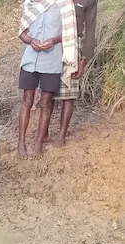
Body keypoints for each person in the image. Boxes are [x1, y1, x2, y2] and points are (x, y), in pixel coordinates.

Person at [17, 0, 77, 159]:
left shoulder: (64, 5)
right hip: (30, 59)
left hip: (52, 60)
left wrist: (53, 40)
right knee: (27, 101)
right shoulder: (29, 4)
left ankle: (38, 144)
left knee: (45, 102)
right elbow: (22, 33)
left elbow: (70, 32)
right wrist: (31, 41)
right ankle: (21, 144)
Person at [52, 0, 96, 147]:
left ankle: (61, 135)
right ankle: (43, 133)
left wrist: (83, 60)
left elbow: (90, 29)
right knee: (47, 92)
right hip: (51, 45)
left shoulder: (89, 1)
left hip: (73, 46)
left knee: (69, 94)